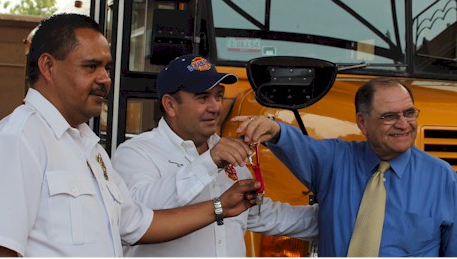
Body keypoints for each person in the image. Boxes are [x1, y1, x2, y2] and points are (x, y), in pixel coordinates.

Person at [0, 14, 260, 257]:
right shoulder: (18, 140)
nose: (105, 79)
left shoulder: (87, 147)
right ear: (48, 66)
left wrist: (220, 206)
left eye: (106, 67)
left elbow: (139, 224)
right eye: (91, 66)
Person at [234, 79, 457, 257]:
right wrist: (274, 129)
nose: (404, 124)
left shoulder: (440, 176)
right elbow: (296, 144)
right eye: (389, 116)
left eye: (409, 113)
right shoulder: (335, 161)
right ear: (363, 122)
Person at [112, 54, 318, 257]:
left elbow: (264, 215)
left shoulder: (225, 151)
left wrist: (339, 216)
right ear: (170, 105)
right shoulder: (135, 152)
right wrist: (209, 162)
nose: (215, 107)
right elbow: (137, 220)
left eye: (218, 96)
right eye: (202, 97)